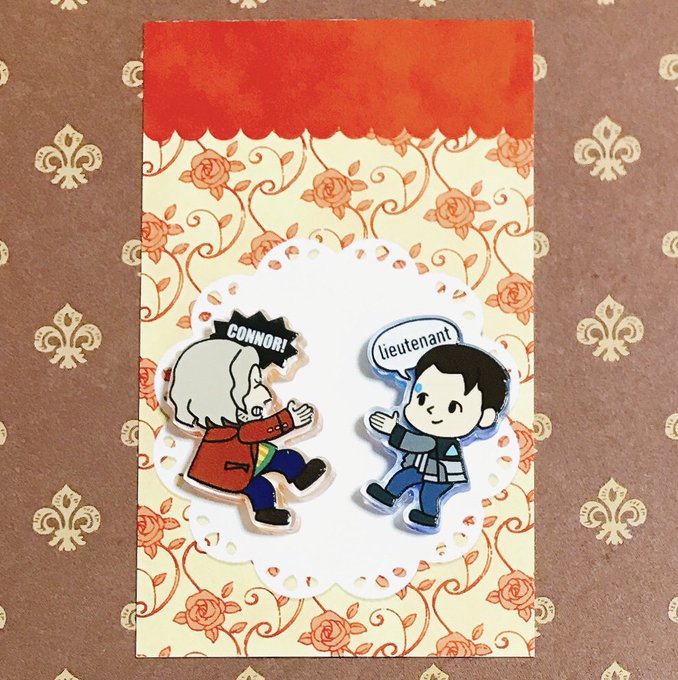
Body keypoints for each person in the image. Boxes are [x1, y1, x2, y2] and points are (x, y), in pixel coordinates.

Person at [168, 337, 326, 528]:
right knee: (261, 486)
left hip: (246, 458)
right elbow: (253, 432)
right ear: (223, 395)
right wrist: (289, 420)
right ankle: (265, 512)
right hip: (229, 473)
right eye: (254, 385)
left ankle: (301, 478)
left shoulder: (231, 426)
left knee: (286, 457)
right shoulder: (228, 430)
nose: (267, 395)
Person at [365, 343, 509, 529]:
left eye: (452, 407)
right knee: (403, 476)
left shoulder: (439, 440)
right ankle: (387, 495)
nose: (431, 410)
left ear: (485, 417)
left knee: (429, 494)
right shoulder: (428, 432)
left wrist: (394, 431)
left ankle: (428, 515)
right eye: (422, 398)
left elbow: (416, 443)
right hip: (421, 466)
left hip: (442, 475)